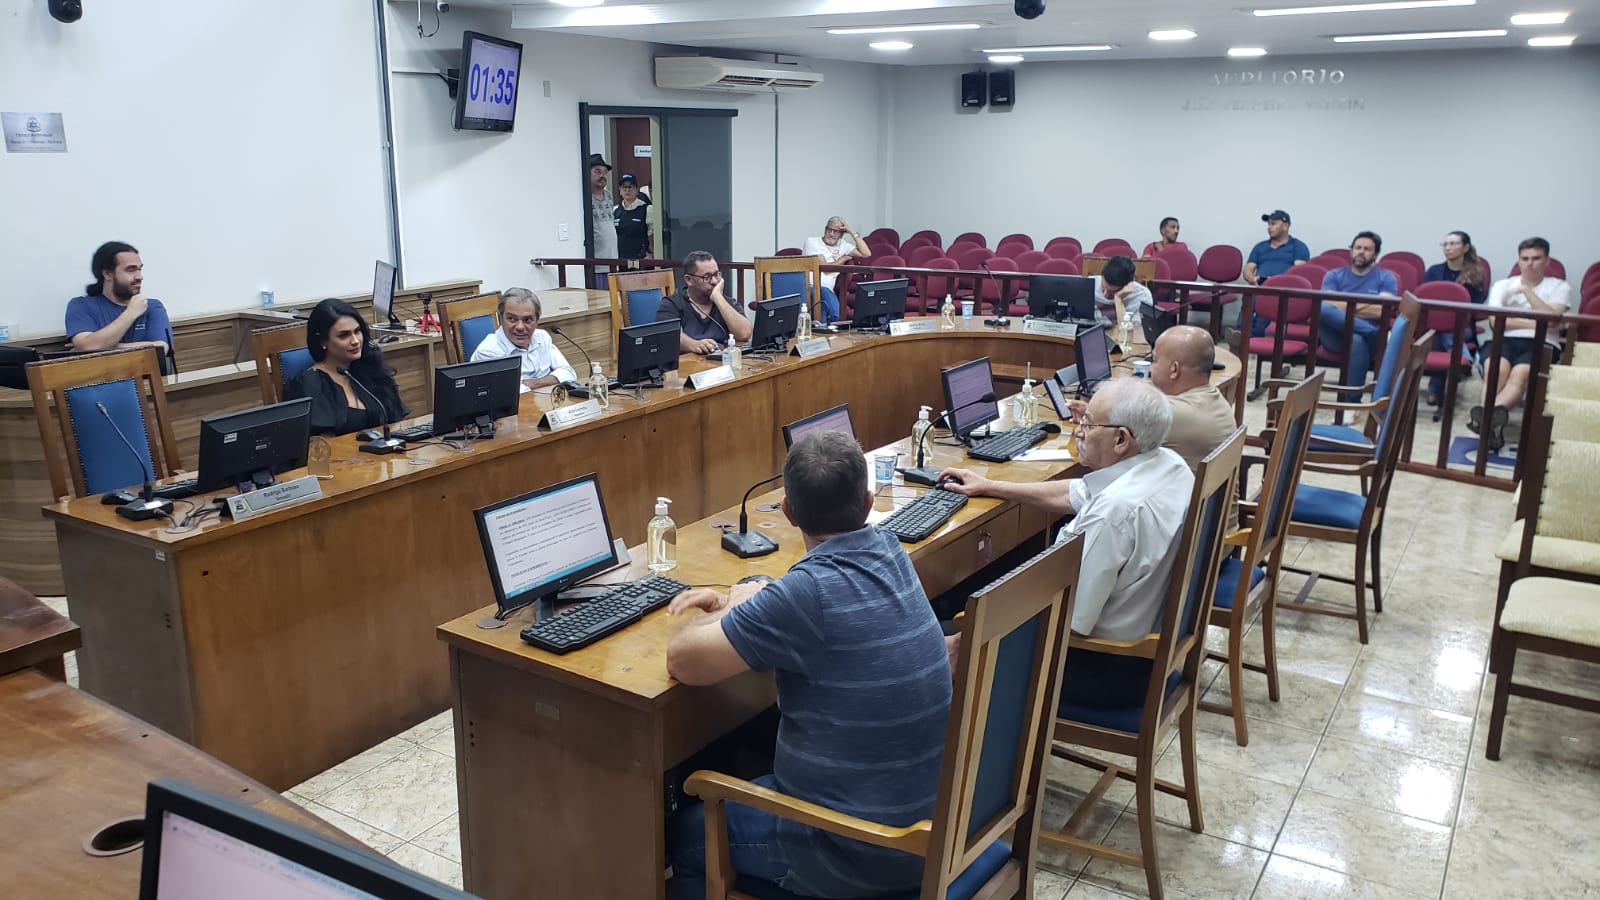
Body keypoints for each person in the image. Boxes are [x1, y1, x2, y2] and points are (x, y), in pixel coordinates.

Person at [665, 430, 950, 899]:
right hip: (932, 830)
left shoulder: (806, 595)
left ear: (789, 512)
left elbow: (683, 661)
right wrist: (755, 604)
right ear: (867, 502)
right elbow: (805, 602)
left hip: (856, 852)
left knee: (690, 835)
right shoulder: (890, 550)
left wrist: (730, 608)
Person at [940, 378, 1193, 708]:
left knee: (930, 639)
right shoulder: (1170, 465)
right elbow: (1079, 492)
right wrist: (990, 486)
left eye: (1089, 424)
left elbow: (1070, 622)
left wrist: (968, 639)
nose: (1079, 432)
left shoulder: (1113, 514)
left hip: (1099, 669)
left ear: (1121, 439)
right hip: (1145, 652)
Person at [1472, 237, 1571, 451]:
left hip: (1542, 342)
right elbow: (1495, 321)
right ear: (1518, 260)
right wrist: (1536, 322)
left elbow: (1551, 320)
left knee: (1520, 374)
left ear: (1547, 261)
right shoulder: (1503, 285)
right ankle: (1491, 423)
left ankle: (1485, 419)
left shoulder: (1559, 286)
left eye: (1536, 258)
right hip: (1505, 339)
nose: (1530, 263)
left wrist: (1527, 291)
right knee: (1495, 370)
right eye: (1525, 259)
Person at [284, 298, 408, 436]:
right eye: (344, 335)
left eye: (357, 331)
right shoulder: (308, 385)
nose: (355, 341)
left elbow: (397, 421)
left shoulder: (371, 369)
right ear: (322, 341)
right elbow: (319, 443)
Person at [1316, 231, 1399, 401]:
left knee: (1357, 340)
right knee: (1322, 308)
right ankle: (1372, 332)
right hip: (1335, 336)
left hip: (1367, 341)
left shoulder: (1386, 277)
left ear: (1375, 254)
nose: (1361, 252)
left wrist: (1343, 306)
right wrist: (1365, 306)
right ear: (1351, 251)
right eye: (1358, 248)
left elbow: (1381, 310)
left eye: (1367, 249)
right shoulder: (1334, 275)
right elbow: (1327, 305)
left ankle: (1351, 403)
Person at [65, 241, 173, 355]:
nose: (139, 277)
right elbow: (88, 346)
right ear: (107, 274)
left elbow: (160, 349)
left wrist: (102, 346)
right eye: (130, 270)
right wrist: (131, 313)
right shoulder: (81, 306)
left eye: (139, 269)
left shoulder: (151, 306)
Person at [1421, 230, 1488, 406]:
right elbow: (1423, 297)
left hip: (1463, 326)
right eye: (1445, 244)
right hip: (1434, 324)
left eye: (1453, 244)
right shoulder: (1434, 271)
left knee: (1446, 332)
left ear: (1465, 247)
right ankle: (1463, 361)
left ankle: (1435, 390)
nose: (1448, 248)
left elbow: (1476, 304)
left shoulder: (1475, 274)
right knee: (1440, 335)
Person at [468, 287, 577, 388]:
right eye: (512, 319)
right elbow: (506, 391)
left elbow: (569, 373)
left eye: (527, 320)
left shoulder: (542, 337)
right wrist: (551, 379)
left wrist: (531, 383)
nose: (520, 327)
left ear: (537, 320)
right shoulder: (488, 351)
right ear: (501, 318)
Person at [657, 250, 753, 354]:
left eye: (716, 275)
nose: (714, 281)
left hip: (723, 361)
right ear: (689, 280)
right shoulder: (671, 304)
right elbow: (668, 336)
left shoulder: (726, 302)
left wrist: (718, 298)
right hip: (689, 363)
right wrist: (694, 345)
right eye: (707, 277)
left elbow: (745, 334)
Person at [1240, 210, 1310, 337]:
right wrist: (1253, 278)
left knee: (1266, 303)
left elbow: (1299, 274)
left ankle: (1249, 337)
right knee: (1249, 298)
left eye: (1273, 224)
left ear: (1285, 226)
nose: (1269, 227)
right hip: (1260, 287)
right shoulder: (1260, 247)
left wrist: (1276, 281)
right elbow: (1248, 269)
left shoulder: (1298, 246)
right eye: (1268, 224)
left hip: (1283, 291)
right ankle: (1242, 333)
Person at [800, 217, 870, 324]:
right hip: (809, 287)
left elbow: (866, 253)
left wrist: (852, 231)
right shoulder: (812, 242)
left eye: (836, 231)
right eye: (829, 230)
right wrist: (843, 258)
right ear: (825, 229)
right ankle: (839, 322)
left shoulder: (843, 245)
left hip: (826, 291)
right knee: (826, 296)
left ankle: (824, 328)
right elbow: (826, 268)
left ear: (842, 234)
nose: (832, 234)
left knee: (822, 310)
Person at [1094, 255, 1153, 327]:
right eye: (1103, 289)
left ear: (1129, 284)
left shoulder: (1142, 296)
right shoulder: (1091, 283)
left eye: (1113, 292)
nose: (1105, 295)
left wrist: (1119, 299)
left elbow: (1128, 330)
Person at [613, 174, 652, 262]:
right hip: (620, 261)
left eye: (630, 187)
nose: (627, 190)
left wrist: (653, 254)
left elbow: (652, 236)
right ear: (620, 190)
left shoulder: (647, 209)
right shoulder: (615, 211)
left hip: (641, 261)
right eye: (624, 187)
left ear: (636, 190)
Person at [588, 154, 617, 266]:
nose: (602, 175)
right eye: (597, 171)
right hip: (595, 263)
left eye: (605, 172)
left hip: (613, 259)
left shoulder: (609, 195)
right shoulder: (584, 197)